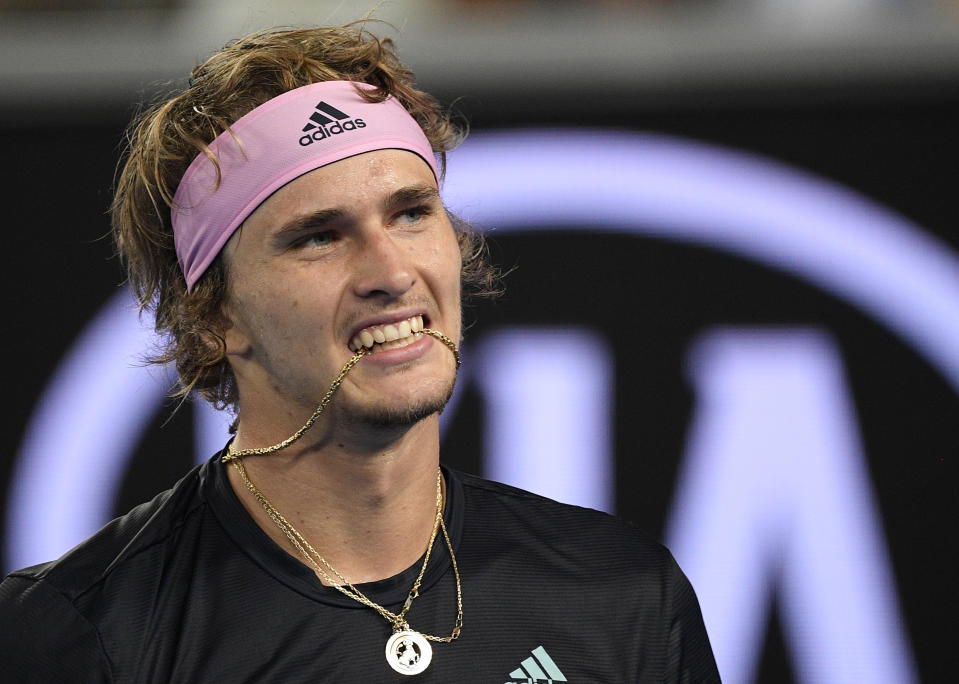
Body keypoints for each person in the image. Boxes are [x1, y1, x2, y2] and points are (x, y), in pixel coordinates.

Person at [0, 23, 720, 682]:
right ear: (213, 315)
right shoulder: (75, 634)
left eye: (411, 213)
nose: (391, 274)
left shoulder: (621, 595)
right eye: (319, 235)